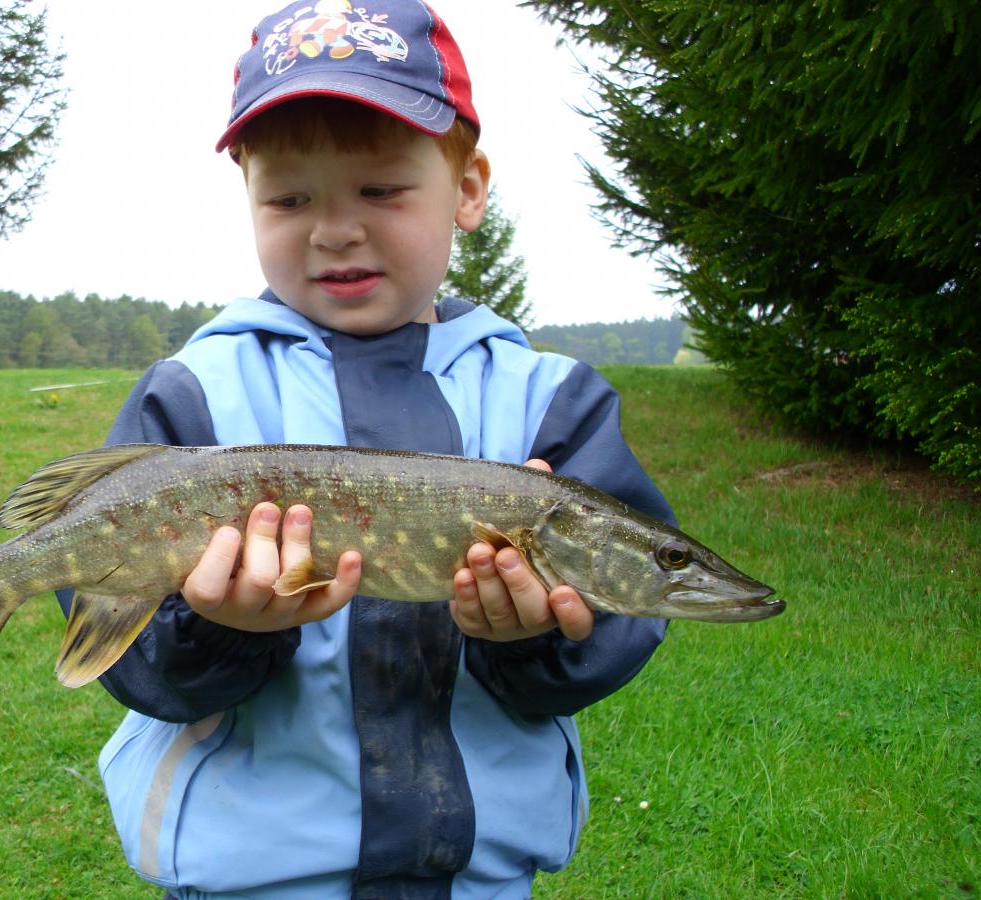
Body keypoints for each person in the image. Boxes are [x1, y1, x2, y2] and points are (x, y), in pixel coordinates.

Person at [59, 2, 674, 897]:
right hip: (255, 880)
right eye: (289, 197)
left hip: (477, 880)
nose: (333, 228)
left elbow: (616, 626)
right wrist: (219, 631)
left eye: (379, 190)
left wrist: (534, 639)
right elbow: (140, 659)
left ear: (467, 189)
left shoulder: (550, 404)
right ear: (247, 198)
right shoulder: (193, 394)